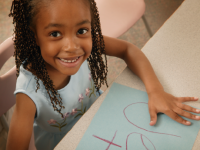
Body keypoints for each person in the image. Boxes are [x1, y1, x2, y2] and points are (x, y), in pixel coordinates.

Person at [5, 0, 200, 149]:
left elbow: (127, 49)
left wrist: (155, 91)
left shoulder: (86, 44)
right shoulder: (28, 94)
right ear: (34, 36)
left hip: (104, 118)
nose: (72, 47)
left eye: (82, 30)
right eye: (55, 34)